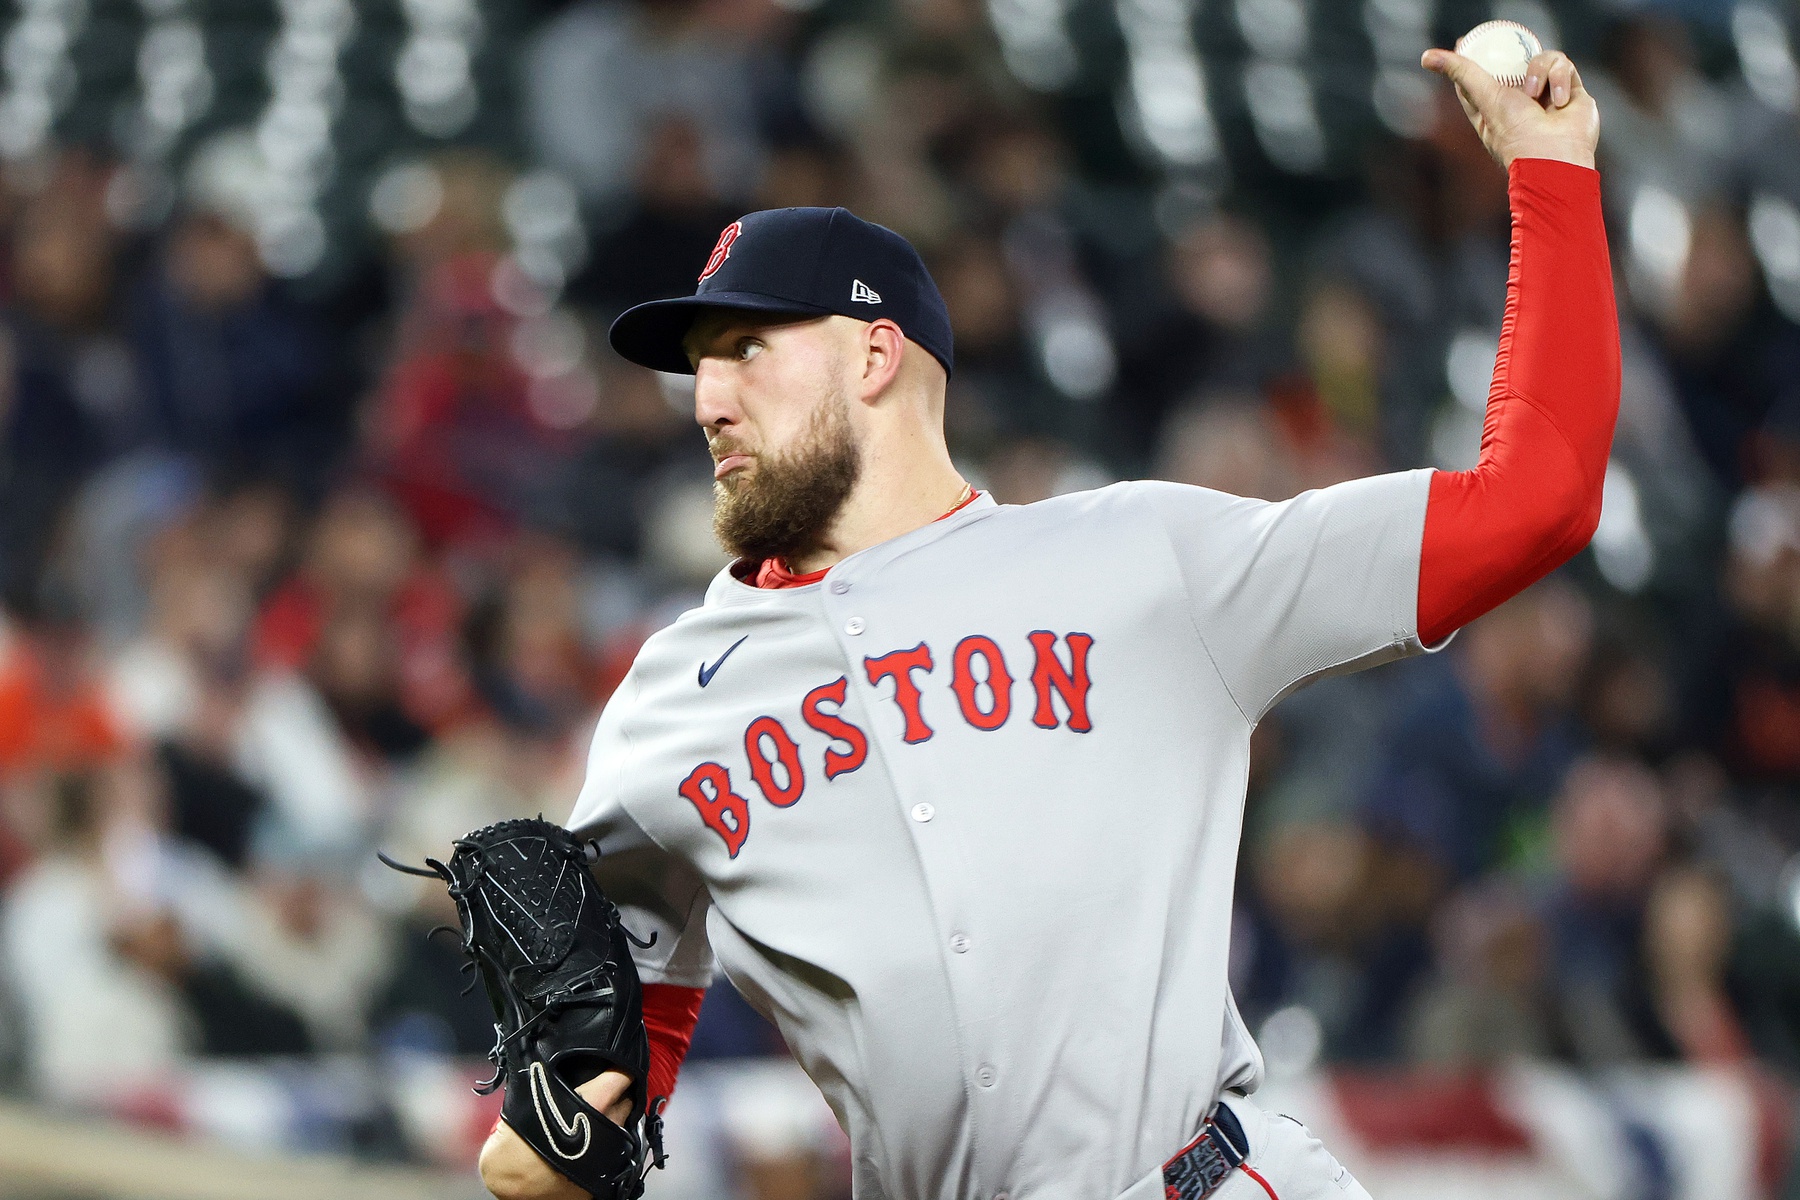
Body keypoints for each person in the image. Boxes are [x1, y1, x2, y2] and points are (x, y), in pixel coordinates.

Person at [478, 43, 1613, 1200]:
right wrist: (550, 1142)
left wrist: (1551, 172)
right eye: (699, 366)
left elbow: (1540, 498)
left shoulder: (1143, 559)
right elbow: (596, 1106)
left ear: (875, 354)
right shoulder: (668, 707)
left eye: (746, 349)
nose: (708, 398)